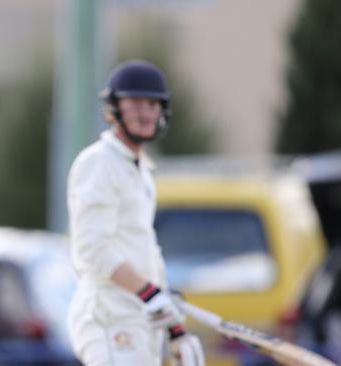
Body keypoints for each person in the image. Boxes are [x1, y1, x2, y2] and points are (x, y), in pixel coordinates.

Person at [66, 60, 205, 366]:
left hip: (137, 316)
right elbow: (92, 249)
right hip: (108, 314)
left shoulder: (139, 170)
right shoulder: (99, 162)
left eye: (153, 104)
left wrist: (176, 329)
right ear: (114, 108)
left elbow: (144, 253)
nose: (145, 112)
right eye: (135, 103)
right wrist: (148, 293)